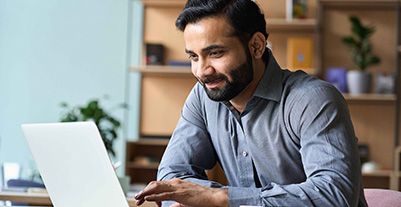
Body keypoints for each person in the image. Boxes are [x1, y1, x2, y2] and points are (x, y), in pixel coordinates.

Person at [135, 0, 367, 206]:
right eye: (193, 57)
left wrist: (221, 199)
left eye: (215, 53)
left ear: (256, 45)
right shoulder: (203, 96)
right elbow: (171, 176)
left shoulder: (312, 99)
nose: (202, 71)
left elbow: (334, 195)